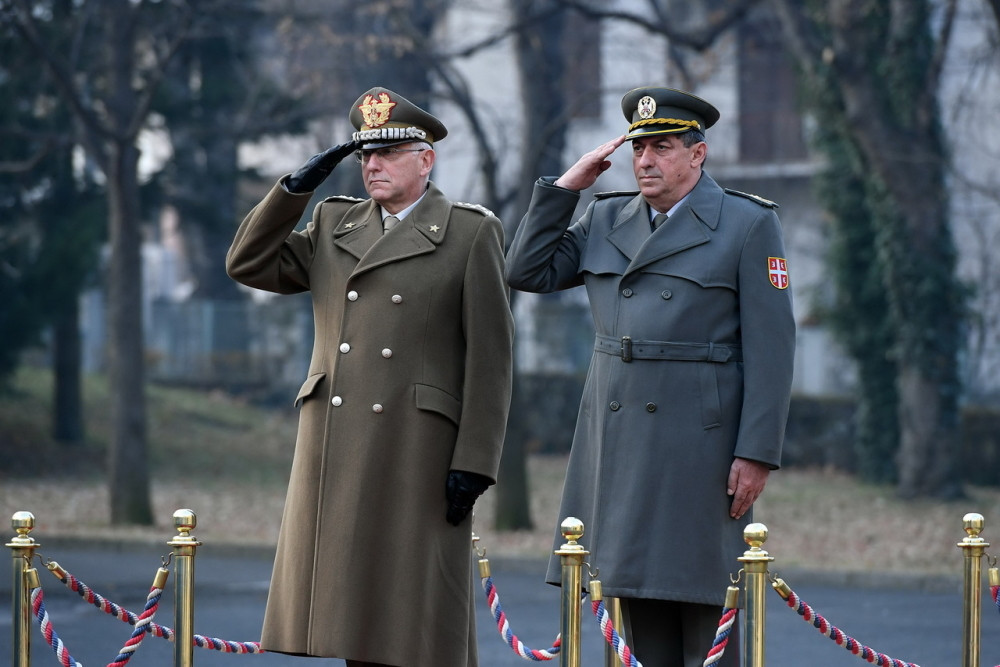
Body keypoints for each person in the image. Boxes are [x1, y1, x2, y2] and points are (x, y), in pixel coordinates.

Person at [505, 86, 795, 667]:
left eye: (661, 147)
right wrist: (566, 189)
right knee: (634, 609)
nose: (645, 161)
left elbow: (773, 346)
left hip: (702, 446)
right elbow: (526, 270)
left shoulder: (745, 224)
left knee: (708, 607)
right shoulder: (606, 216)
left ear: (697, 155)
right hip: (621, 444)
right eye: (639, 148)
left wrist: (757, 452)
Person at [226, 86, 514, 667]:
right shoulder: (335, 225)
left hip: (417, 449)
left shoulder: (468, 232)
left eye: (388, 153)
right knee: (350, 618)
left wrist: (475, 462)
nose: (372, 166)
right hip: (336, 442)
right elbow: (249, 263)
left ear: (426, 158)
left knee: (413, 619)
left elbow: (491, 357)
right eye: (363, 156)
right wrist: (294, 191)